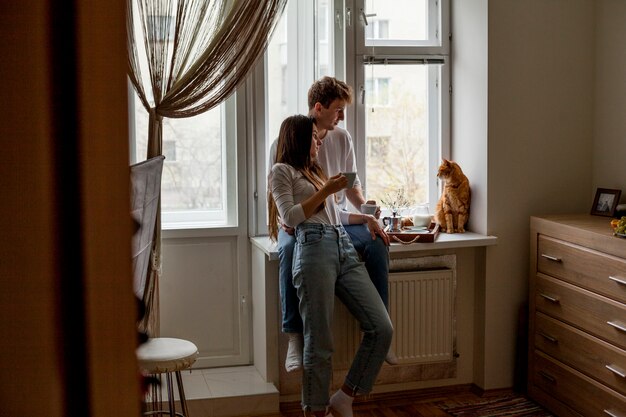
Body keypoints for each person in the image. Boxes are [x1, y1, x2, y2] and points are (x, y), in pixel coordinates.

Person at [268, 115, 393, 417]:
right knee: (319, 342)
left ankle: (345, 396)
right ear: (298, 138)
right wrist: (325, 191)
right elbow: (291, 217)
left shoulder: (316, 171)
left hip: (341, 244)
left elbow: (334, 212)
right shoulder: (281, 171)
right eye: (313, 136)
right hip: (312, 246)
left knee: (382, 327)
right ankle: (315, 410)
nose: (319, 141)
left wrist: (366, 218)